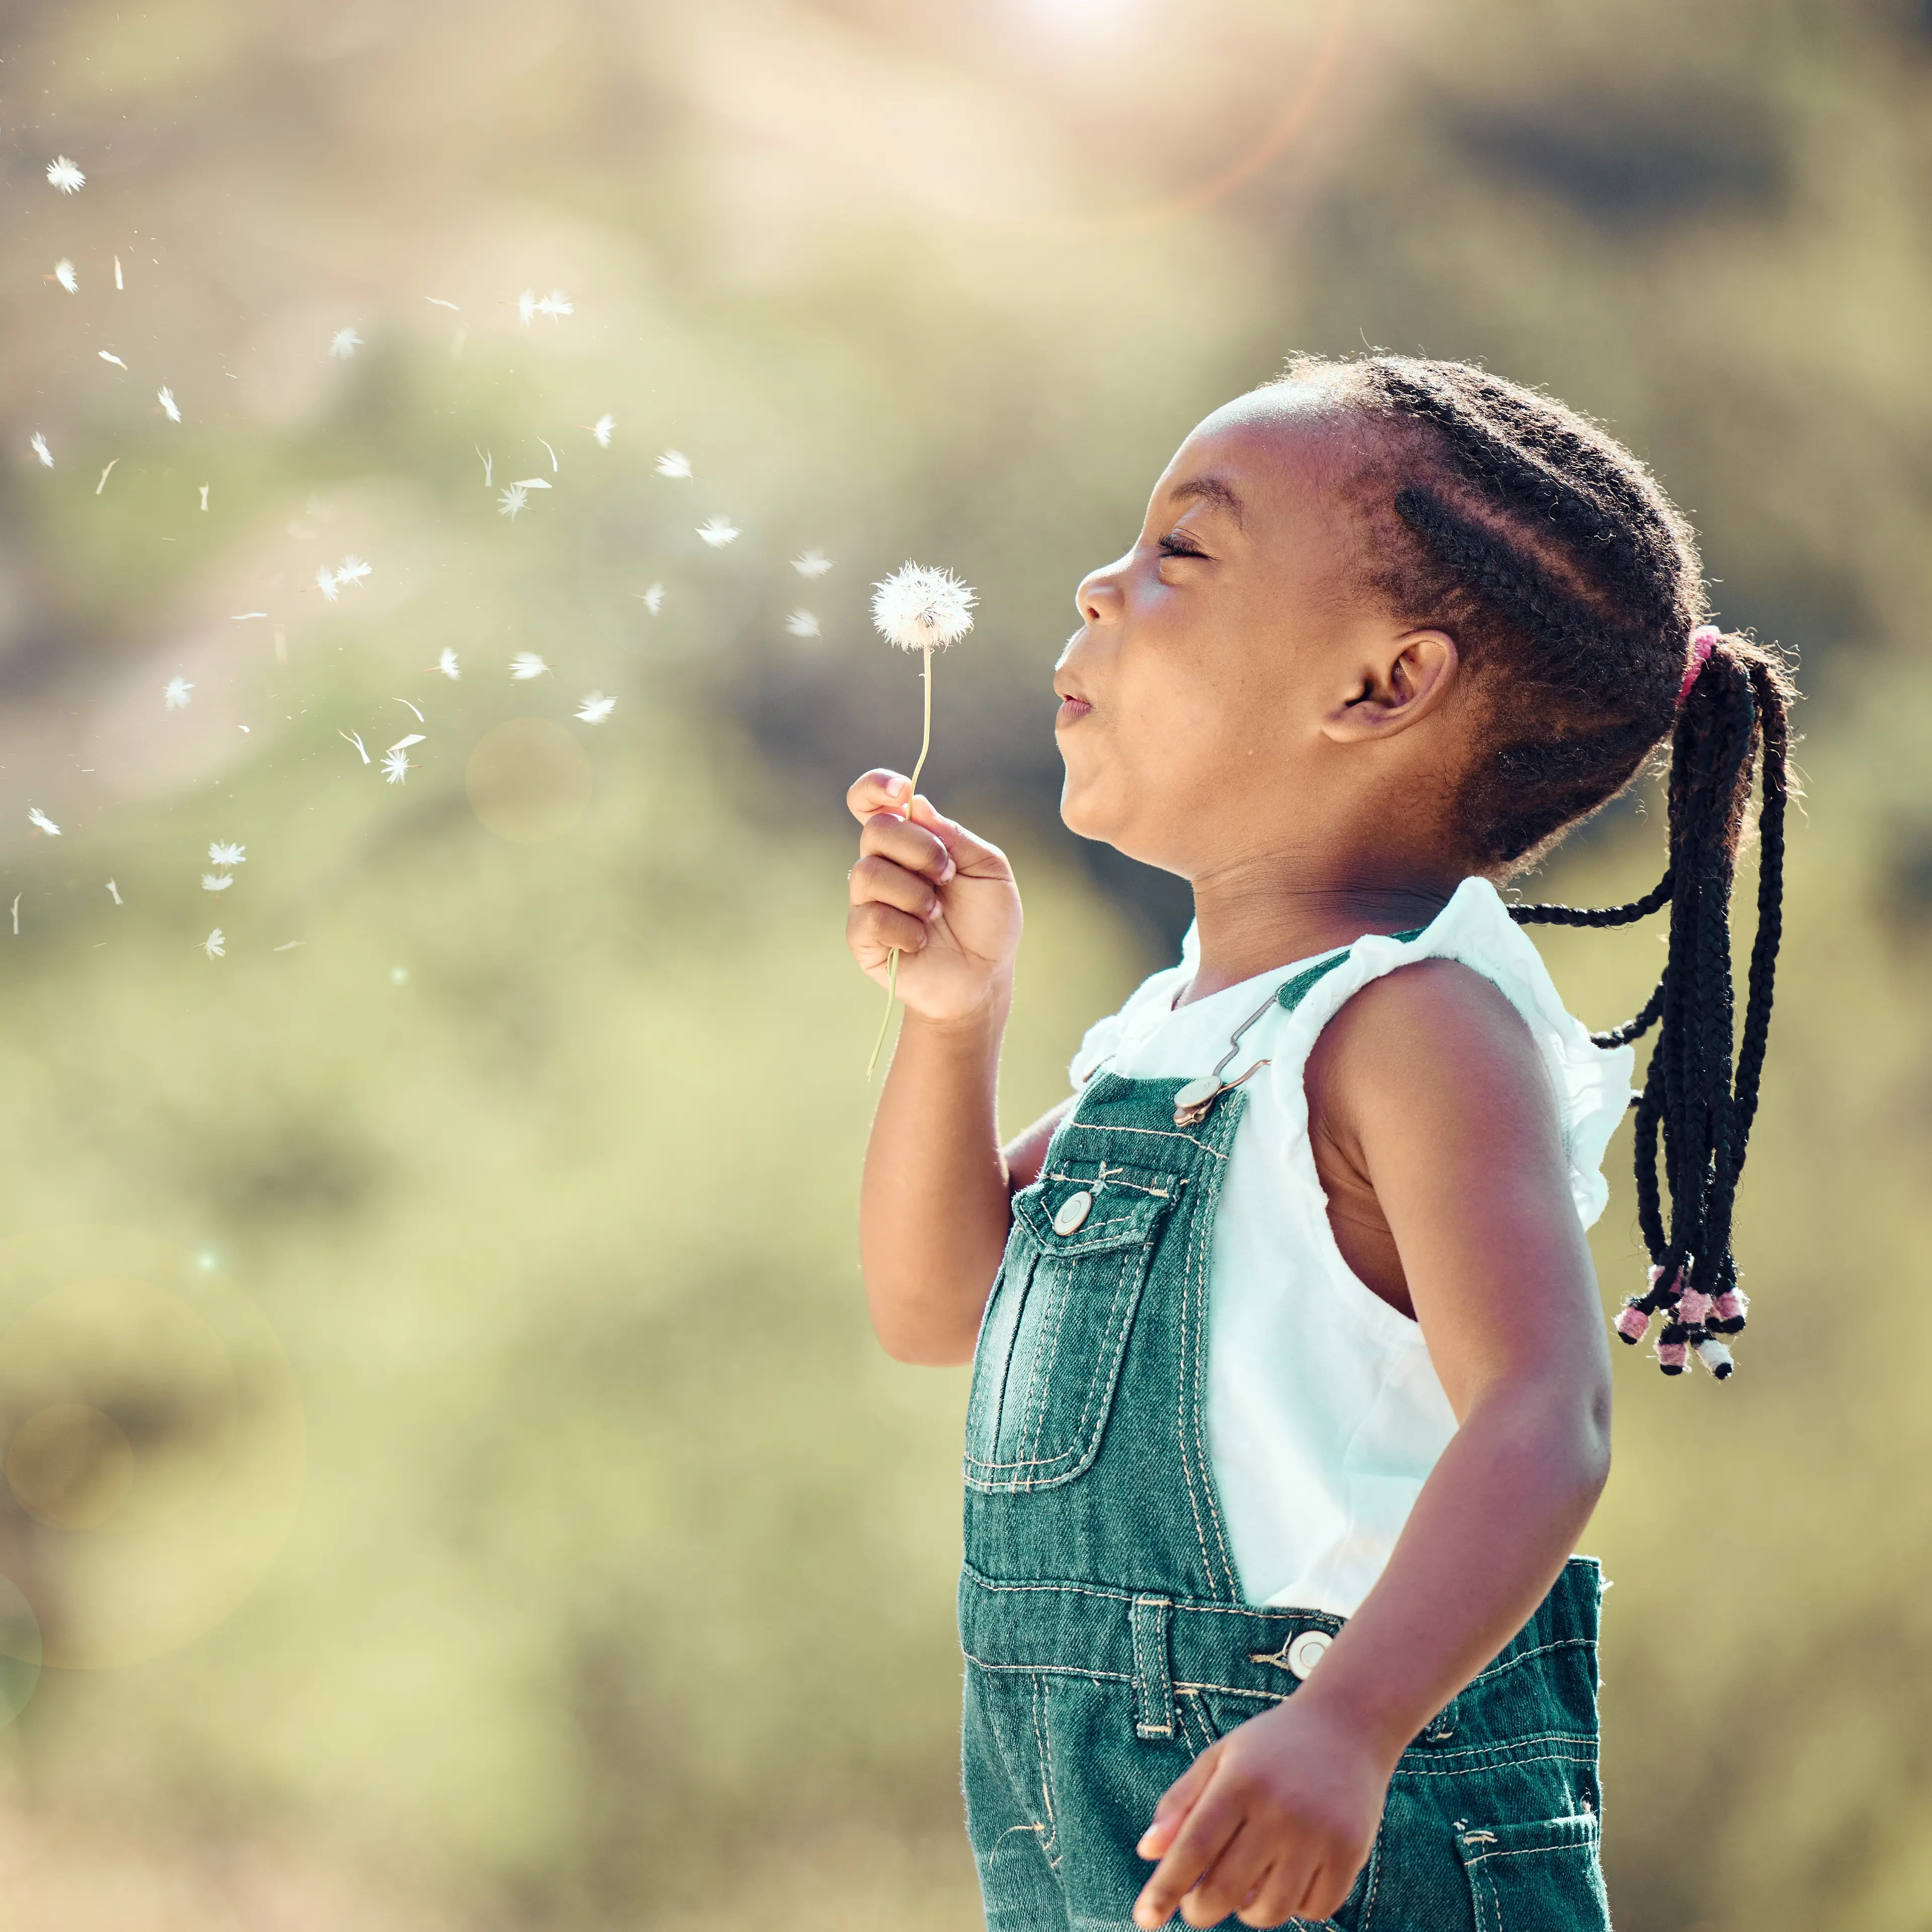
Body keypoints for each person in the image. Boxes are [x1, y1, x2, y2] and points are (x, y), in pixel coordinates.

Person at [844, 354, 1792, 1931]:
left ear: (1382, 684)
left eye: (1181, 555)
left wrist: (1352, 1720)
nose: (1099, 583)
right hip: (1121, 1862)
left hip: (1368, 1861)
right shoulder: (1180, 1036)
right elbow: (938, 1308)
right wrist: (955, 1023)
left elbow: (1546, 1415)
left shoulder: (1416, 1029)